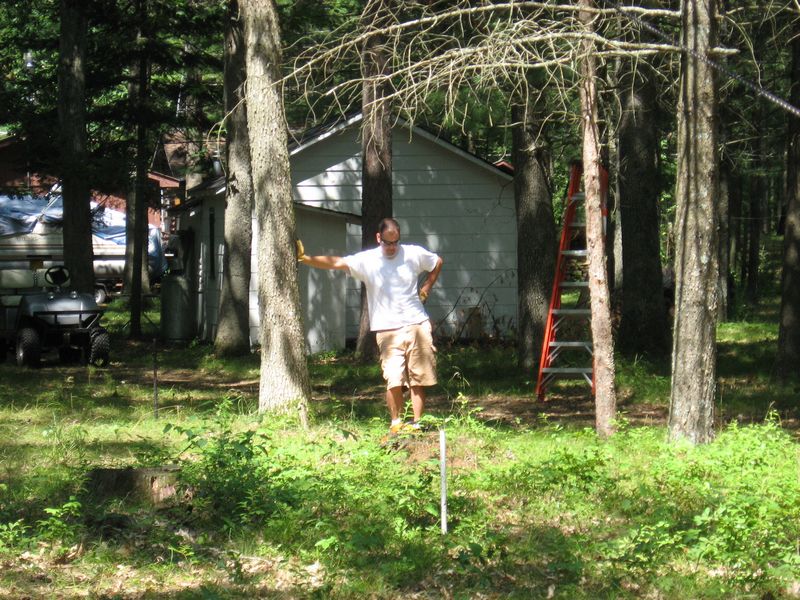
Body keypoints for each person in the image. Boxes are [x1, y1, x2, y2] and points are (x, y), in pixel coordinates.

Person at [297, 217, 443, 435]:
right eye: (387, 243)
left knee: (418, 378)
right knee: (394, 378)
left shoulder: (413, 253)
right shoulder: (367, 260)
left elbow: (437, 262)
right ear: (378, 238)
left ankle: (417, 423)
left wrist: (427, 287)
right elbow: (337, 262)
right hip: (387, 329)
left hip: (416, 324)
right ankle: (396, 423)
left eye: (395, 242)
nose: (392, 247)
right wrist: (306, 258)